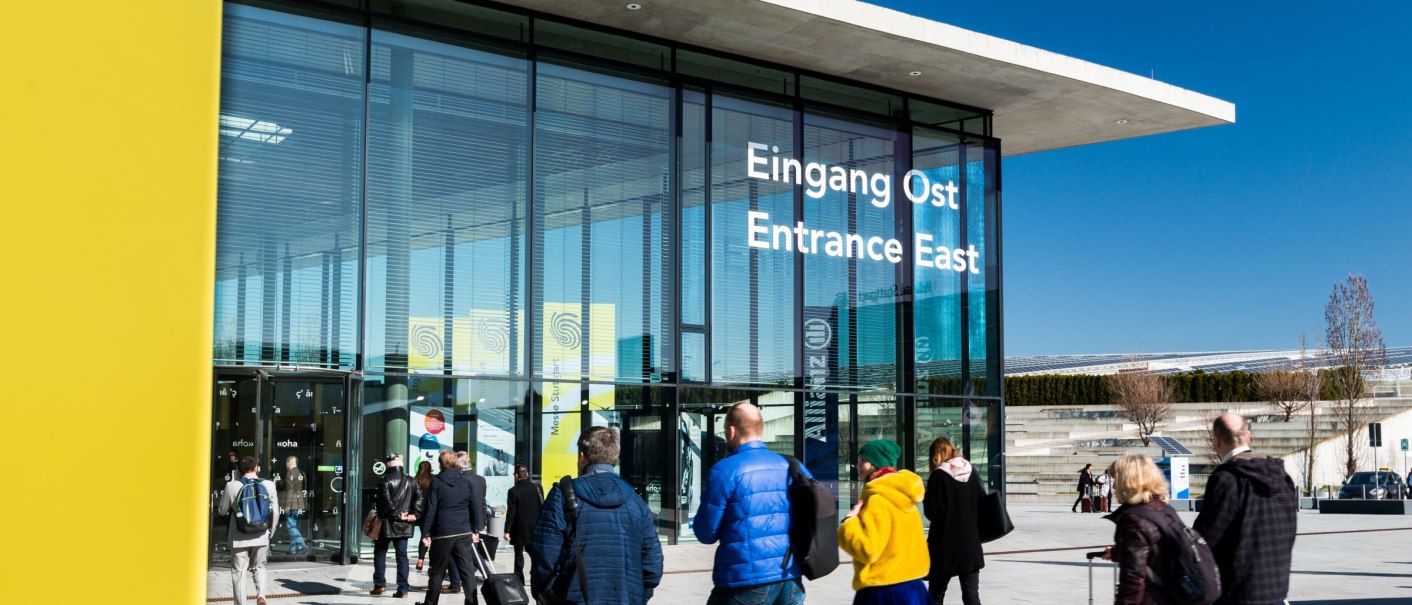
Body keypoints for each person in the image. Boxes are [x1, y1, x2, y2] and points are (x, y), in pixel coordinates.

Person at [693, 402, 809, 605]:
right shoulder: (792, 466)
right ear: (760, 429)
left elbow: (706, 533)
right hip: (790, 577)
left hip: (744, 580)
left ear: (731, 431)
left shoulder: (724, 471)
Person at [531, 426, 663, 604]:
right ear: (614, 457)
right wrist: (639, 595)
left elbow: (545, 558)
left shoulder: (562, 496)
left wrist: (547, 595)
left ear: (582, 456)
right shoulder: (636, 501)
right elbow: (653, 565)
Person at [1194, 413, 1298, 605]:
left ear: (1216, 441)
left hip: (1237, 592)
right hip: (1277, 588)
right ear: (1248, 436)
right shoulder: (1283, 477)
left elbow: (1206, 538)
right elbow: (1289, 530)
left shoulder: (1226, 479)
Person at [839, 439, 930, 605]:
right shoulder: (906, 497)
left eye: (864, 460)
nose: (858, 465)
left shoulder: (878, 500)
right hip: (913, 587)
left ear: (877, 463)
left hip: (884, 590)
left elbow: (868, 550)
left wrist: (849, 522)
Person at [1101, 455, 1180, 605]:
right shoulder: (1164, 509)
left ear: (1128, 481)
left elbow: (1134, 578)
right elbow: (1152, 550)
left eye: (1116, 481)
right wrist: (1120, 551)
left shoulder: (1134, 519)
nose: (1114, 487)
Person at [417, 450, 481, 605]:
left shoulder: (437, 482)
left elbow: (431, 509)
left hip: (442, 532)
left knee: (437, 572)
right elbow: (475, 506)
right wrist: (475, 529)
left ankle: (430, 603)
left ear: (441, 463)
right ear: (455, 462)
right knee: (467, 572)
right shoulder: (466, 482)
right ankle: (472, 602)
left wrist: (425, 533)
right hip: (463, 531)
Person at [923, 437, 983, 605]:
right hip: (970, 544)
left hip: (944, 546)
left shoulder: (938, 476)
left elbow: (933, 513)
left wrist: (925, 496)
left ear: (935, 455)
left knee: (936, 594)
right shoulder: (972, 472)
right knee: (971, 595)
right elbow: (981, 501)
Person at [218, 456, 280, 605]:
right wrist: (270, 532)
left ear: (239, 471)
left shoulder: (231, 486)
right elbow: (276, 512)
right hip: (261, 534)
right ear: (256, 468)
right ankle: (261, 596)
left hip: (239, 536)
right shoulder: (269, 485)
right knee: (259, 567)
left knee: (239, 572)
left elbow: (222, 510)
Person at [374, 453, 423, 598]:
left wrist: (396, 514)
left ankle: (379, 585)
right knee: (402, 556)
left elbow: (385, 501)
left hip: (387, 523)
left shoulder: (385, 480)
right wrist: (415, 514)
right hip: (405, 523)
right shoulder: (412, 480)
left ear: (389, 464)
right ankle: (403, 589)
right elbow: (420, 498)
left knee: (380, 553)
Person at [504, 463, 544, 587]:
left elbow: (511, 512)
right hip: (535, 527)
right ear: (526, 474)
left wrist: (507, 530)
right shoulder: (538, 488)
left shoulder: (513, 491)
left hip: (519, 528)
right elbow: (542, 506)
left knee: (518, 555)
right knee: (534, 553)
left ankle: (519, 578)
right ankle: (538, 574)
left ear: (516, 475)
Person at [281, 455, 308, 555]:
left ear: (289, 463)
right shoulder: (302, 473)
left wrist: (288, 505)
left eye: (286, 463)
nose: (286, 465)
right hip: (300, 503)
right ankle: (292, 550)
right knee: (294, 525)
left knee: (290, 526)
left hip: (292, 504)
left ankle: (303, 545)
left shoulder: (290, 473)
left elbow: (290, 490)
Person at [414, 460, 434, 572]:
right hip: (430, 513)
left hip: (419, 513)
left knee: (424, 536)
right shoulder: (433, 479)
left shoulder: (415, 480)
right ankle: (431, 564)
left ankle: (420, 559)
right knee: (432, 538)